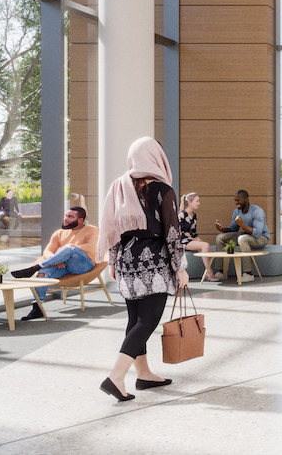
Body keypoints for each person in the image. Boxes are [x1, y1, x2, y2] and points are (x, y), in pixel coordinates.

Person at [97, 137, 188, 401]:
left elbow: (113, 230)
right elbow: (173, 232)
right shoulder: (162, 190)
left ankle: (144, 374)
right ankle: (116, 377)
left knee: (135, 321)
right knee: (147, 322)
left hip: (126, 262)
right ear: (156, 157)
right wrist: (180, 267)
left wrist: (113, 261)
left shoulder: (120, 187)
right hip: (154, 264)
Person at [13, 205, 101, 319]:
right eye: (66, 215)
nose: (65, 219)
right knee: (43, 273)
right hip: (64, 266)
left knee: (70, 248)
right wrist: (56, 259)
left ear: (80, 220)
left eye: (70, 217)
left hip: (83, 265)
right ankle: (37, 308)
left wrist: (65, 250)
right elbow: (48, 250)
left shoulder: (92, 230)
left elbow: (92, 247)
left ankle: (35, 267)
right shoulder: (59, 233)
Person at [177, 192, 223, 282]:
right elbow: (178, 234)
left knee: (209, 250)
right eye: (197, 201)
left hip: (190, 240)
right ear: (189, 202)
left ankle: (205, 274)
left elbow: (193, 232)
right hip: (182, 241)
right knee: (205, 245)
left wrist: (197, 238)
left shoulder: (194, 216)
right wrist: (194, 239)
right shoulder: (181, 215)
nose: (199, 203)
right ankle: (210, 274)